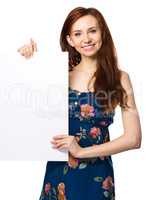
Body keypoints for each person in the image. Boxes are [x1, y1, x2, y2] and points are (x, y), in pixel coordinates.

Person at [18, 6, 142, 200]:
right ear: (70, 40)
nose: (86, 39)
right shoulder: (57, 76)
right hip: (59, 173)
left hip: (96, 178)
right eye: (78, 33)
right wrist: (29, 63)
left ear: (102, 32)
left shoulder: (120, 78)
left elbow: (133, 138)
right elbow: (24, 113)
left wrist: (81, 151)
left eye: (92, 30)